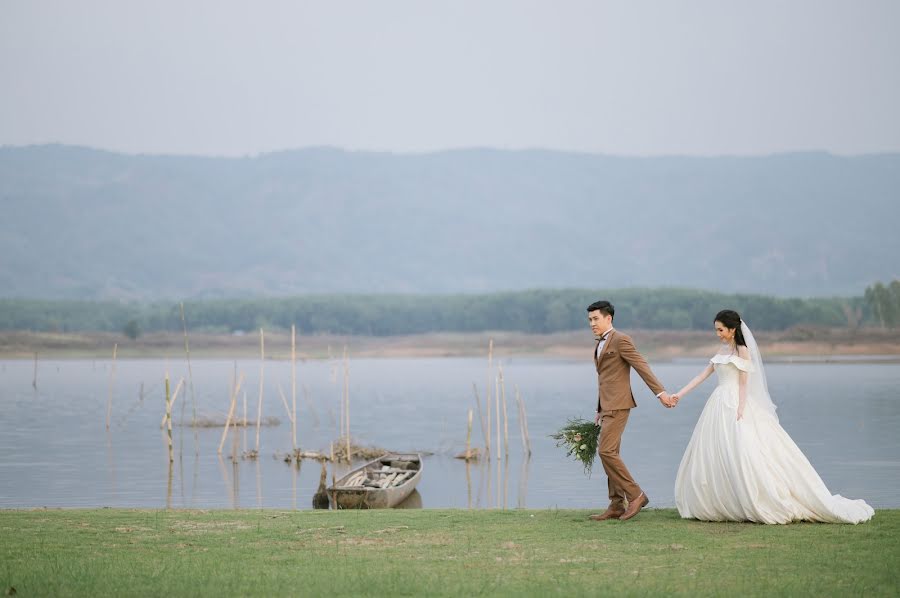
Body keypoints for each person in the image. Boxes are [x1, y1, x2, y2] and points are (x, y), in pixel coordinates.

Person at [670, 310, 874, 524]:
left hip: (734, 404)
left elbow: (743, 384)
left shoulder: (743, 351)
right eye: (716, 330)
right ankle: (721, 499)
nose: (718, 334)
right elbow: (703, 375)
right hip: (717, 403)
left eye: (720, 330)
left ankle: (754, 497)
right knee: (716, 451)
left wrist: (740, 409)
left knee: (743, 451)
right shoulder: (722, 350)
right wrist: (679, 394)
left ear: (732, 329)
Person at [586, 300, 674, 522]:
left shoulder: (621, 340)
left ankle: (636, 495)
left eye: (596, 318)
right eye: (590, 320)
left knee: (606, 452)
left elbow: (641, 366)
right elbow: (605, 379)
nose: (592, 323)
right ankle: (616, 504)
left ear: (609, 318)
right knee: (610, 454)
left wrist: (660, 393)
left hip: (619, 404)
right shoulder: (600, 343)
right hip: (607, 406)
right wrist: (599, 407)